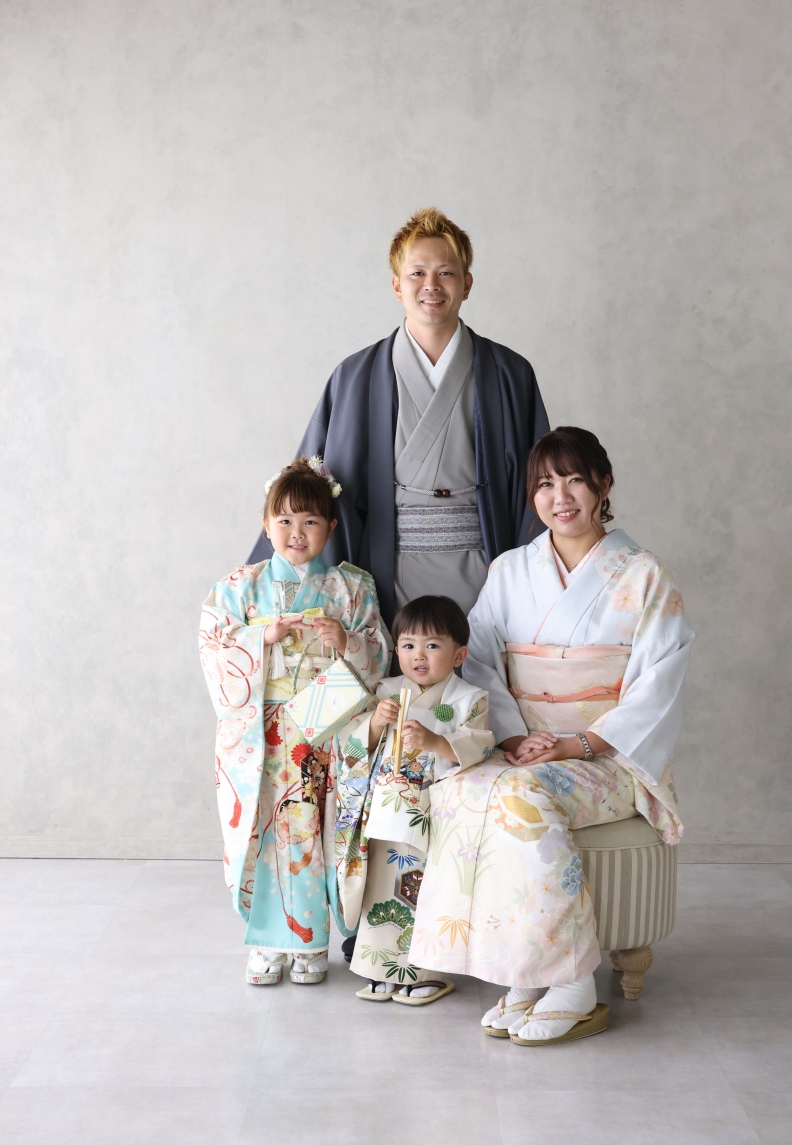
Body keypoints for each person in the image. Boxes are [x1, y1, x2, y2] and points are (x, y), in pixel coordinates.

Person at [409, 427, 694, 1046]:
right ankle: (522, 972)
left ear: (603, 485)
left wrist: (577, 744)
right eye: (544, 484)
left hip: (607, 758)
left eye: (574, 480)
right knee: (457, 788)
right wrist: (513, 738)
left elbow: (658, 684)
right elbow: (480, 664)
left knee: (520, 799)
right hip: (524, 748)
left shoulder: (644, 575)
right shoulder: (512, 570)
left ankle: (571, 981)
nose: (559, 497)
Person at [248, 207, 550, 624]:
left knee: (479, 661)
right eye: (417, 273)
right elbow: (308, 488)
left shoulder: (510, 374)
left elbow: (541, 487)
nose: (431, 285)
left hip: (486, 571)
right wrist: (264, 585)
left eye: (446, 273)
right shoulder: (355, 376)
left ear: (467, 284)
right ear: (396, 286)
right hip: (385, 577)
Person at [199, 458, 389, 986]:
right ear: (266, 525)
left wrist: (346, 640)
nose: (296, 532)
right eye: (284, 520)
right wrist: (258, 639)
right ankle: (267, 943)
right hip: (262, 734)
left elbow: (379, 653)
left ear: (330, 527)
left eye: (310, 521)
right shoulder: (239, 587)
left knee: (317, 834)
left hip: (326, 731)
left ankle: (311, 942)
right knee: (266, 833)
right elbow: (213, 648)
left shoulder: (352, 587)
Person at [333, 595, 492, 1004]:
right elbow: (352, 748)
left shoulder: (468, 698)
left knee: (426, 888)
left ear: (459, 655)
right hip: (384, 812)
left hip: (435, 816)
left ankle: (428, 973)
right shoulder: (386, 691)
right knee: (381, 888)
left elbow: (478, 745)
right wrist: (374, 723)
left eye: (432, 645)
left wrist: (436, 741)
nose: (418, 655)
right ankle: (379, 970)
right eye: (408, 645)